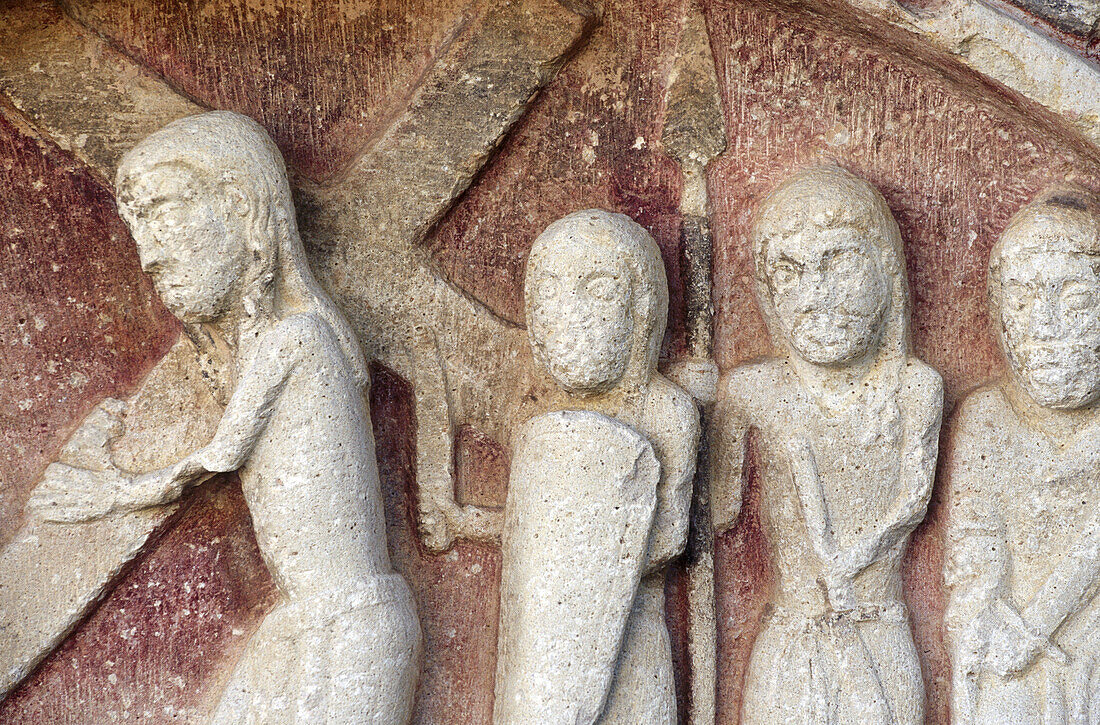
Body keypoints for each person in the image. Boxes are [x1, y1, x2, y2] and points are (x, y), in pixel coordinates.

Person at [28, 111, 421, 724]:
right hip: (299, 624)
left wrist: (113, 495)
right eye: (139, 230)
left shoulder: (299, 338)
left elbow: (220, 455)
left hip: (349, 626)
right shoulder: (266, 346)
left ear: (240, 206)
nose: (149, 256)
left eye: (165, 214)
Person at [710, 166, 942, 725]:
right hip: (792, 640)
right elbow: (714, 517)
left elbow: (913, 502)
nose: (816, 296)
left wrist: (851, 559)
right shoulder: (750, 391)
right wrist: (695, 423)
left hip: (878, 631)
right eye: (790, 272)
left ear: (885, 269)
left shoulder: (916, 388)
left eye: (839, 262)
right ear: (767, 292)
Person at [493, 210, 699, 724]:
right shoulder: (537, 422)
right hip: (544, 637)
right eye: (552, 293)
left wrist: (595, 534)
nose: (573, 316)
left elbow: (671, 537)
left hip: (632, 630)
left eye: (599, 292)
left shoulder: (668, 412)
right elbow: (525, 538)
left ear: (641, 308)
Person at [945, 187, 1100, 725]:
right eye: (1023, 299)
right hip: (1012, 661)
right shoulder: (987, 419)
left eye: (1077, 300)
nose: (1048, 325)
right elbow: (972, 554)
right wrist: (988, 622)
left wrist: (1057, 622)